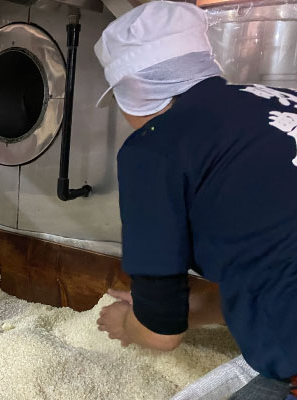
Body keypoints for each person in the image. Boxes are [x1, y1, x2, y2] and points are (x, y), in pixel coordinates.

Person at [91, 2, 297, 399]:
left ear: (133, 91)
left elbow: (161, 336)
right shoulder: (284, 100)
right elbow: (266, 274)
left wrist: (131, 324)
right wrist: (160, 306)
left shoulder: (154, 148)